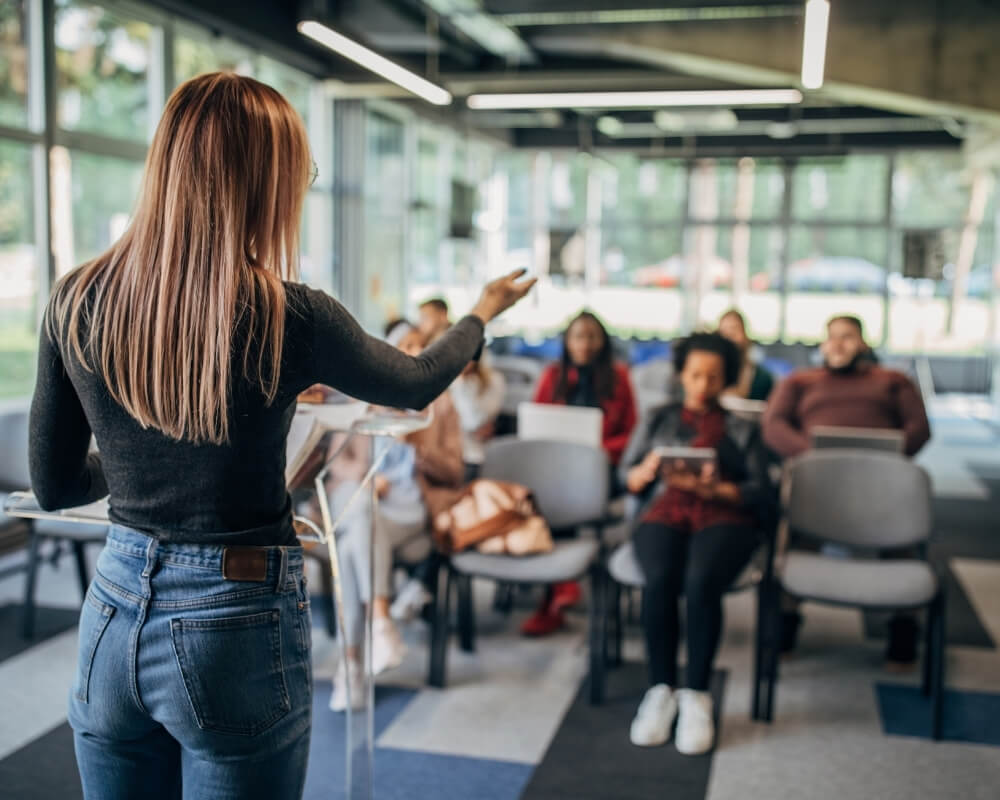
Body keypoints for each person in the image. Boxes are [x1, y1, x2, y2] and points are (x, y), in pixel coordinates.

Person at [28, 72, 533, 800]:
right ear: (263, 181)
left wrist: (142, 464)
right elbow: (419, 378)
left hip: (110, 609)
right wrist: (482, 311)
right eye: (300, 173)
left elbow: (57, 485)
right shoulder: (290, 314)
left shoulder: (75, 297)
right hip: (233, 615)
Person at [621, 333, 773, 754]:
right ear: (681, 375)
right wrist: (647, 470)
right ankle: (660, 688)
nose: (702, 385)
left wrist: (717, 490)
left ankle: (697, 694)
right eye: (694, 376)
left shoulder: (742, 427)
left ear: (725, 379)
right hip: (663, 510)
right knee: (660, 579)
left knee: (701, 580)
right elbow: (626, 477)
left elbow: (761, 491)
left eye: (712, 377)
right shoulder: (657, 417)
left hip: (724, 515)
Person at [762, 314, 932, 667]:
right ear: (822, 344)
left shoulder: (893, 381)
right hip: (818, 482)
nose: (838, 344)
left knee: (902, 541)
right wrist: (809, 456)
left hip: (881, 484)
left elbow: (919, 428)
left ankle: (904, 627)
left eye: (848, 337)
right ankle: (787, 622)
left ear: (864, 343)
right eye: (832, 337)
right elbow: (772, 425)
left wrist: (889, 458)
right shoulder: (800, 381)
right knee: (799, 537)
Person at [325, 324, 465, 711]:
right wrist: (369, 479)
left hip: (409, 511)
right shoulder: (362, 399)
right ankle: (380, 623)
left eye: (417, 347)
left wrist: (420, 449)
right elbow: (339, 465)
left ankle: (350, 665)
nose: (409, 354)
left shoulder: (440, 406)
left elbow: (455, 472)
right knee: (360, 523)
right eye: (402, 347)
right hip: (361, 502)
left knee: (355, 544)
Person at [523, 311, 638, 636]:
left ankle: (559, 591)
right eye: (578, 336)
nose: (584, 344)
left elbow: (631, 434)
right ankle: (557, 590)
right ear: (567, 341)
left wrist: (595, 449)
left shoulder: (619, 378)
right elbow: (536, 424)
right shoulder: (552, 376)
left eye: (591, 337)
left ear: (602, 342)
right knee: (543, 495)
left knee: (565, 497)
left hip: (602, 468)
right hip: (555, 469)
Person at [449, 357, 506, 482]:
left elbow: (473, 422)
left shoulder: (494, 381)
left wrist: (460, 383)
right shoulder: (445, 381)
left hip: (473, 454)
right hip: (448, 453)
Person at [717, 309, 775, 401]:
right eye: (724, 332)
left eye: (734, 330)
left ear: (745, 335)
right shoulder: (710, 375)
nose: (729, 336)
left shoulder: (762, 379)